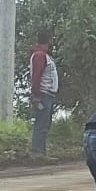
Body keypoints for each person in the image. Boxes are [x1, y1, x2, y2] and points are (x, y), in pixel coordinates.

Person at [29, 31, 58, 159]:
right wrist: (36, 95)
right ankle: (37, 152)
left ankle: (41, 152)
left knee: (44, 123)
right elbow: (36, 76)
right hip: (43, 94)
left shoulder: (43, 55)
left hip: (47, 94)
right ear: (48, 41)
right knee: (42, 123)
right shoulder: (40, 55)